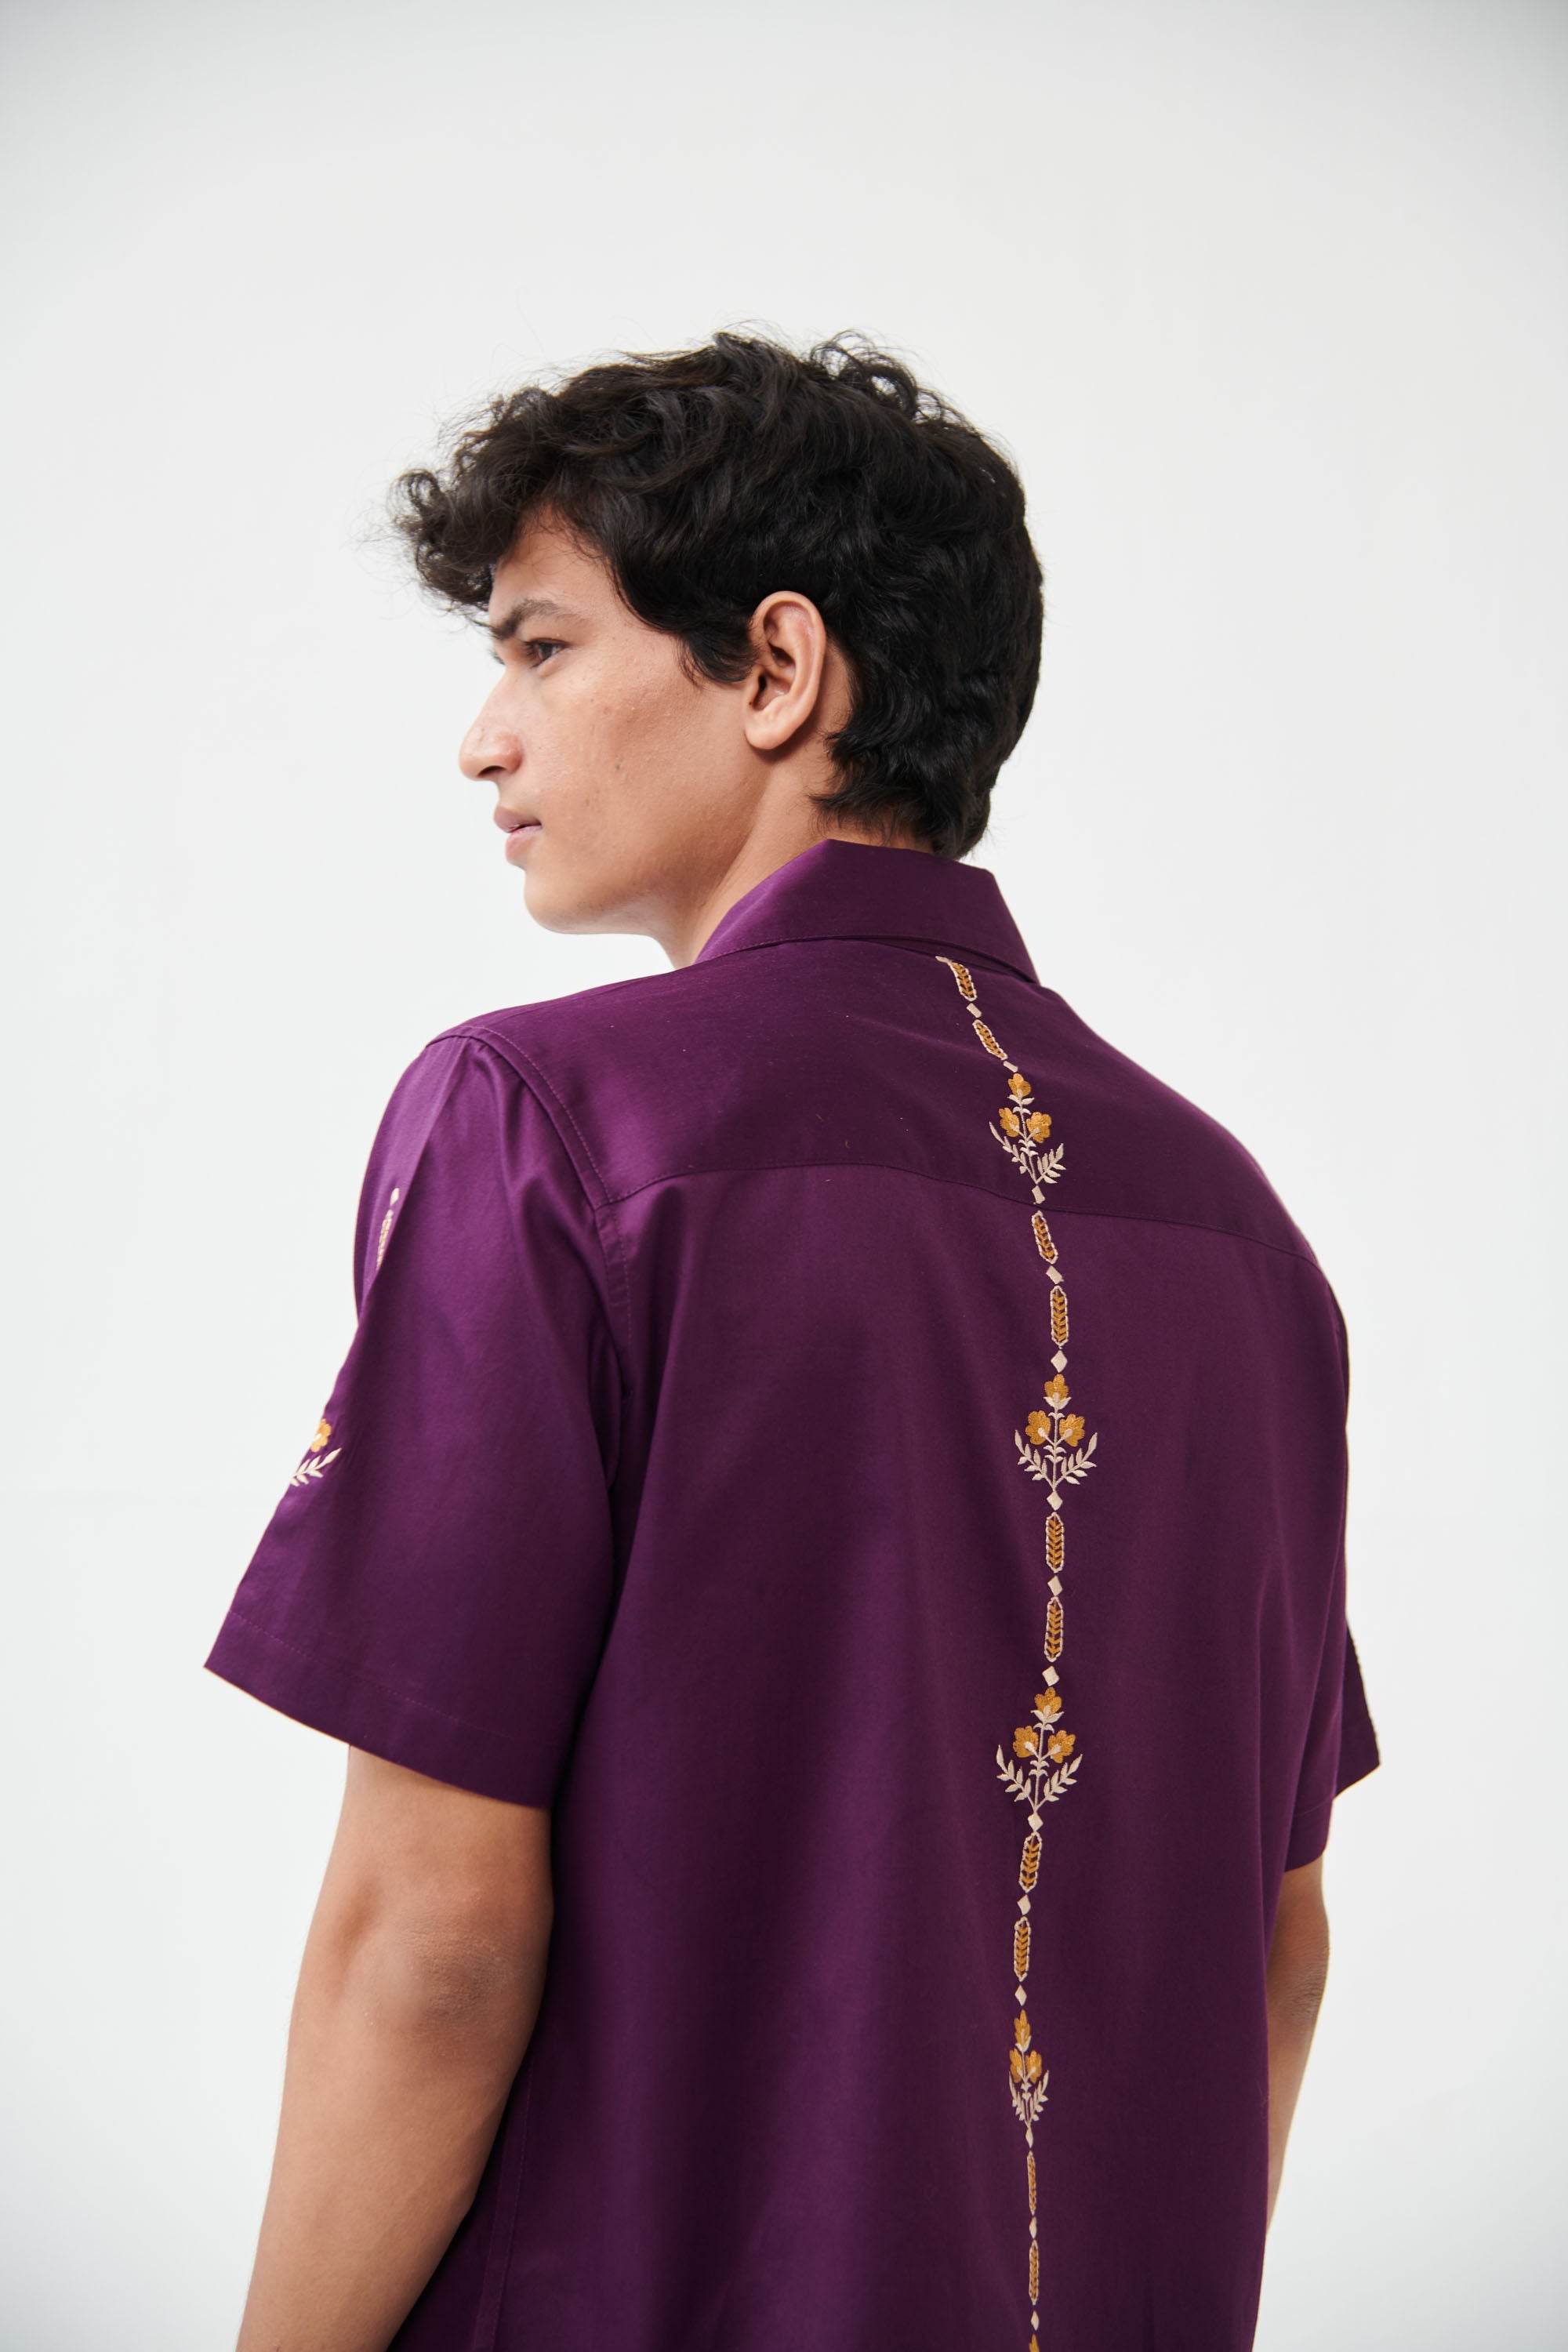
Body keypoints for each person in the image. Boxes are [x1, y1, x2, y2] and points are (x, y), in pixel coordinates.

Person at [205, 332, 1378, 2352]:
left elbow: (436, 1939)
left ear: (774, 668)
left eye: (543, 649)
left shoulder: (548, 1126)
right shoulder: (1240, 1230)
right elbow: (1277, 1950)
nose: (484, 740)